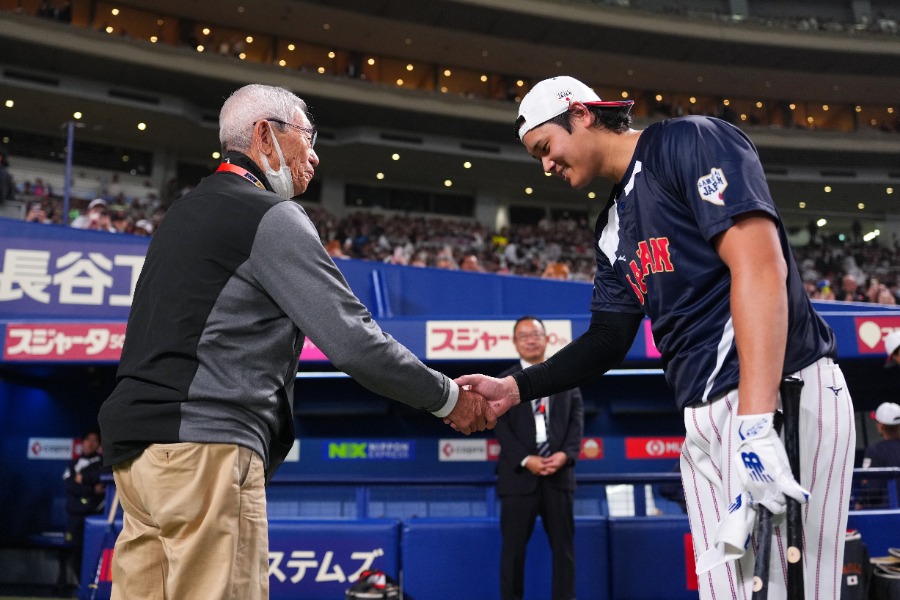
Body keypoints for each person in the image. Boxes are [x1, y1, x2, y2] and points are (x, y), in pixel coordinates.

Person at [457, 75, 855, 600]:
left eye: (545, 148)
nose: (546, 165)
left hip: (779, 391)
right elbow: (606, 339)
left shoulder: (688, 141)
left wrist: (756, 423)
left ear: (580, 114)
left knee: (796, 593)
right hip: (703, 419)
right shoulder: (611, 227)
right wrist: (515, 389)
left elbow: (760, 267)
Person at [98, 84, 496, 600]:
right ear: (265, 135)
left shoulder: (181, 214)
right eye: (308, 138)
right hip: (207, 448)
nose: (314, 156)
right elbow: (354, 342)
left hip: (137, 457)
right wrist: (449, 397)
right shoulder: (268, 215)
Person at [494, 316, 583, 600]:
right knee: (512, 554)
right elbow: (501, 427)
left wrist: (566, 454)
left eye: (535, 334)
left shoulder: (566, 377)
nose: (531, 339)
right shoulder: (503, 382)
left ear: (546, 339)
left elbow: (576, 420)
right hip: (519, 480)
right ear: (515, 343)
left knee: (565, 552)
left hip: (559, 478)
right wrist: (525, 459)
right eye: (524, 335)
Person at [62, 430, 108, 584]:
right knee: (75, 552)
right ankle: (83, 586)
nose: (91, 443)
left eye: (95, 440)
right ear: (82, 442)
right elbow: (70, 486)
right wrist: (91, 489)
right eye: (88, 439)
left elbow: (102, 482)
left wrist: (84, 480)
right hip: (75, 517)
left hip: (95, 516)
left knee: (96, 553)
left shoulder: (103, 463)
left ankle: (94, 587)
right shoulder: (74, 464)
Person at [856, 402, 900, 508]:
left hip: (888, 515)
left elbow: (872, 488)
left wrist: (860, 503)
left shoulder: (875, 450)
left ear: (881, 426)